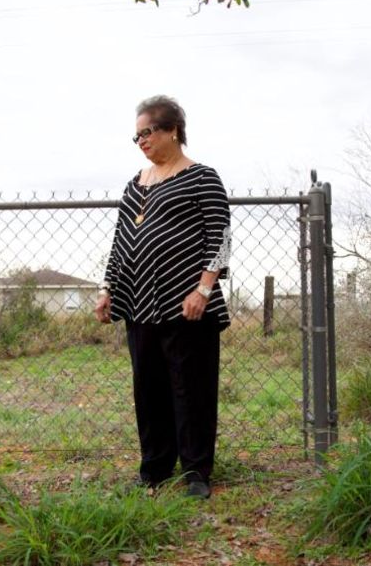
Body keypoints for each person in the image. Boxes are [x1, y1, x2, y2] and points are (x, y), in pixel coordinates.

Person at [94, 95, 231, 500]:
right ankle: (154, 468)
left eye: (147, 132)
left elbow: (220, 237)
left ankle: (195, 473)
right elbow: (121, 242)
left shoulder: (202, 177)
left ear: (173, 130)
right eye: (136, 136)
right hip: (138, 303)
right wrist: (108, 288)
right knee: (148, 389)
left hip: (186, 304)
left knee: (191, 389)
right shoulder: (134, 185)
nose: (141, 141)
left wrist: (203, 289)